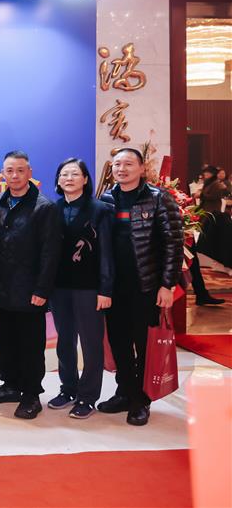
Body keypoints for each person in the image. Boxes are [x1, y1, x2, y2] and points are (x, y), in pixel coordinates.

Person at [99, 148, 182, 426]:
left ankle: (141, 400)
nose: (121, 169)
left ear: (142, 168)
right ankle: (124, 391)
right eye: (117, 164)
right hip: (115, 286)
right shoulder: (107, 198)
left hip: (146, 286)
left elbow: (173, 243)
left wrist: (167, 284)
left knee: (143, 344)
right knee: (119, 342)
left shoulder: (159, 198)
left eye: (128, 164)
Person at [0, 150, 61, 420]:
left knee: (31, 345)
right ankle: (11, 385)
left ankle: (31, 395)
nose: (14, 175)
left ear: (29, 172)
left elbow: (50, 253)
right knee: (6, 341)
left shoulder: (44, 207)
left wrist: (42, 289)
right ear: (3, 174)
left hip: (29, 291)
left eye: (20, 170)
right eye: (9, 171)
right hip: (1, 289)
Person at [48, 158, 113, 419]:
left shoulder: (100, 210)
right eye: (64, 174)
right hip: (59, 288)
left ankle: (88, 396)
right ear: (58, 180)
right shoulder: (52, 209)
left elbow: (107, 252)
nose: (69, 178)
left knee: (90, 343)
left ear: (85, 179)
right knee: (64, 341)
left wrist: (105, 289)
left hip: (90, 288)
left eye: (75, 174)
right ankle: (68, 388)